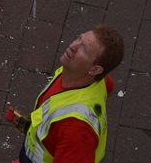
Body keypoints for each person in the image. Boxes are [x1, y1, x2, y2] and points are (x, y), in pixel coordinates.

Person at [11, 25, 124, 163]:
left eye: (84, 49)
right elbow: (109, 87)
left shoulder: (74, 130)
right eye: (79, 38)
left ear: (95, 69)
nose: (73, 46)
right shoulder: (92, 78)